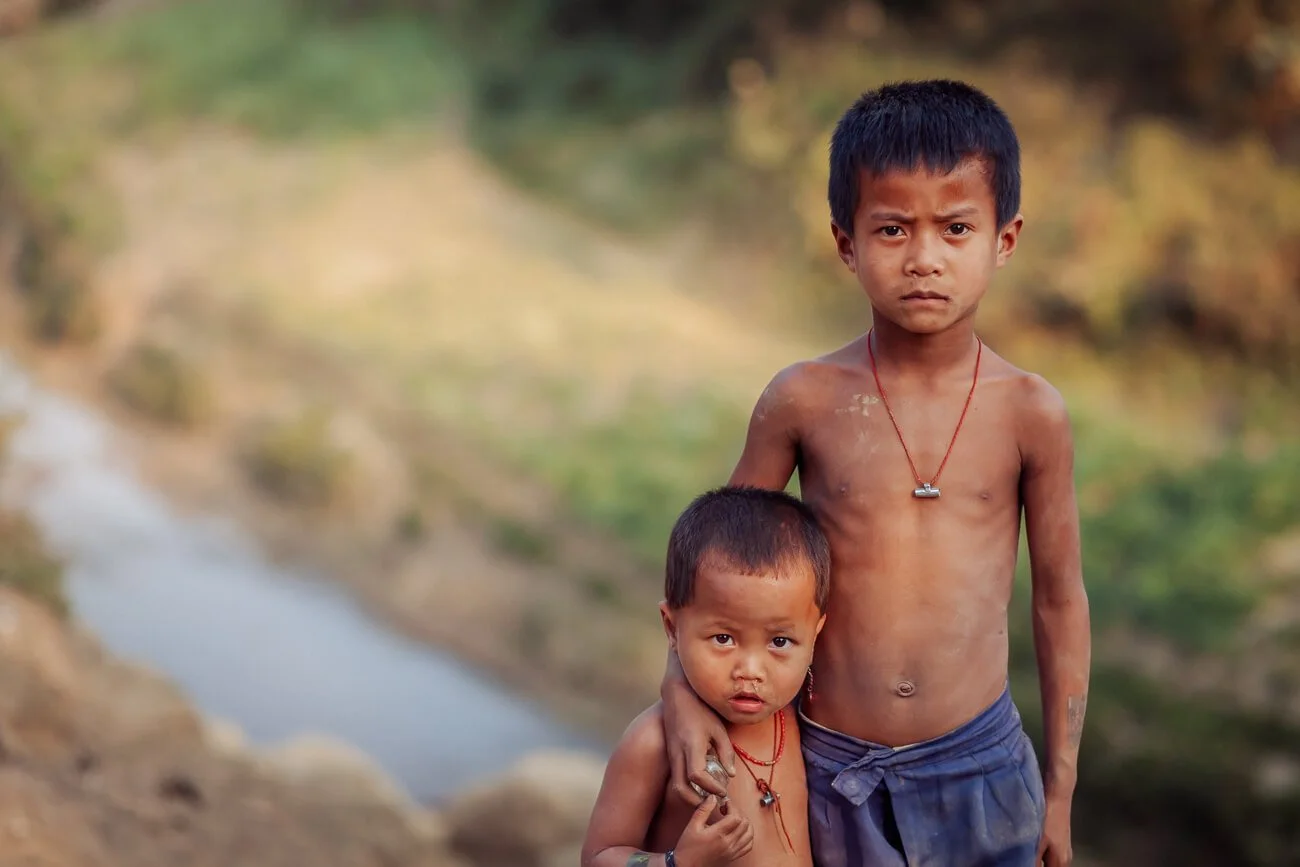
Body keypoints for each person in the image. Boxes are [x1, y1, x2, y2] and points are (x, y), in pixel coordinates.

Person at [659, 80, 1092, 867]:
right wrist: (680, 697)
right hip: (826, 768)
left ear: (1004, 238)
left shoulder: (1032, 412)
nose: (924, 259)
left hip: (980, 772)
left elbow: (1061, 601)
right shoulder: (805, 400)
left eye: (956, 228)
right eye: (893, 229)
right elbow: (713, 570)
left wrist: (1059, 792)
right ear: (846, 242)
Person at [582, 486, 833, 867]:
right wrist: (676, 861)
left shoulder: (801, 722)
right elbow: (599, 856)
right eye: (723, 638)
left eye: (779, 641)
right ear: (671, 626)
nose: (750, 670)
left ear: (815, 634)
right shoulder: (654, 741)